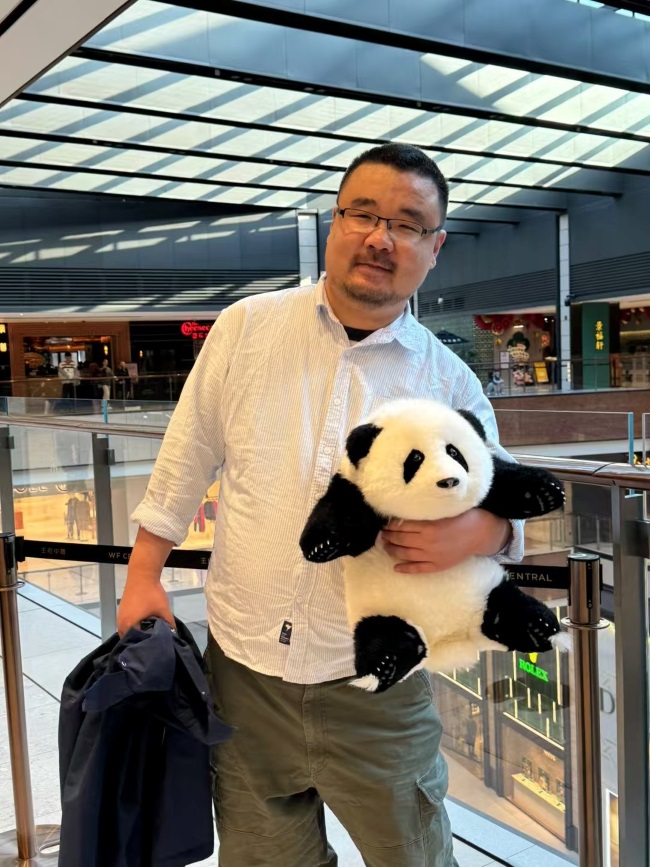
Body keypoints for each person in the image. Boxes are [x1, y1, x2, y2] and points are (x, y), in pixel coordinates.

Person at [117, 143, 523, 867]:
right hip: (244, 674)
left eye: (407, 224)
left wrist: (481, 532)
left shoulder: (450, 381)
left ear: (435, 248)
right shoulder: (247, 328)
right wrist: (144, 572)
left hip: (378, 685)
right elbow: (188, 451)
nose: (380, 238)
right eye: (363, 213)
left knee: (416, 857)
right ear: (334, 223)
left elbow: (503, 502)